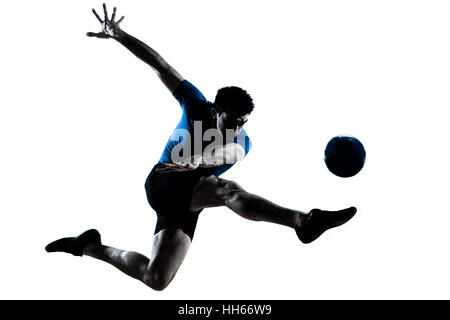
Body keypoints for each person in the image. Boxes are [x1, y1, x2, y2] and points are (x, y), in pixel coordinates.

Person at [45, 4, 357, 291]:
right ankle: (303, 221)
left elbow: (229, 153)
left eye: (243, 122)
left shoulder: (241, 142)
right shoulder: (195, 104)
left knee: (156, 277)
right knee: (228, 190)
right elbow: (159, 65)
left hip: (187, 198)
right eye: (232, 120)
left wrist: (201, 159)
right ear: (215, 110)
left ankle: (90, 247)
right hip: (163, 181)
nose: (237, 128)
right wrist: (120, 35)